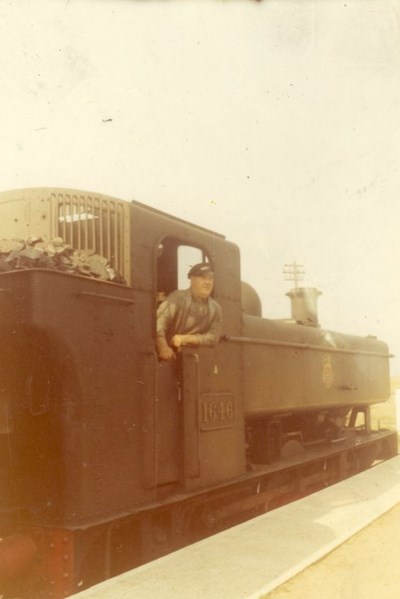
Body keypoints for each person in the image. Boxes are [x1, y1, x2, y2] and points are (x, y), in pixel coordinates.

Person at [156, 262, 222, 361]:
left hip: (193, 360)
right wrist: (163, 347)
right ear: (192, 279)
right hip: (168, 356)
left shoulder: (215, 308)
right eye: (203, 278)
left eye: (210, 278)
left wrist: (185, 338)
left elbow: (213, 338)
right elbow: (159, 323)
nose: (208, 282)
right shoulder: (177, 298)